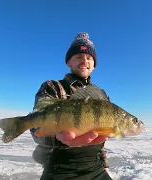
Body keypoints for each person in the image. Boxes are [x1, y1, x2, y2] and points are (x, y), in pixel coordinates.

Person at [30, 32, 113, 180]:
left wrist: (104, 162)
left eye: (89, 58)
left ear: (94, 65)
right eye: (78, 57)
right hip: (60, 168)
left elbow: (100, 135)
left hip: (95, 167)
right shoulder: (53, 86)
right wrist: (60, 140)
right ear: (69, 62)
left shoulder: (101, 94)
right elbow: (36, 126)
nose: (84, 61)